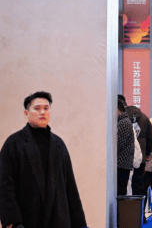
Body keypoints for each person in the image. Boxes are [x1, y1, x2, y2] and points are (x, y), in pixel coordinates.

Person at [0, 91, 87, 228]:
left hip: (59, 220)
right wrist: (12, 222)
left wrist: (80, 224)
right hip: (26, 220)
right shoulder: (13, 143)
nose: (42, 112)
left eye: (46, 108)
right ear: (26, 113)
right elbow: (5, 186)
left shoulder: (59, 144)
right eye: (37, 108)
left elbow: (70, 187)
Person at [120, 94, 152, 196]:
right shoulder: (144, 117)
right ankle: (138, 205)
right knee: (138, 183)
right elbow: (150, 138)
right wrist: (147, 154)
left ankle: (125, 205)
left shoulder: (120, 118)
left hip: (124, 158)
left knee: (124, 185)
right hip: (140, 156)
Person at [117, 98, 135, 196]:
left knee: (120, 192)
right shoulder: (124, 121)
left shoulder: (123, 122)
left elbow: (119, 144)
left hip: (121, 164)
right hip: (124, 164)